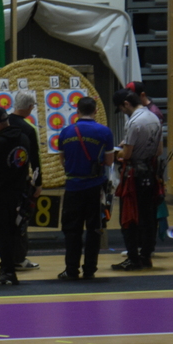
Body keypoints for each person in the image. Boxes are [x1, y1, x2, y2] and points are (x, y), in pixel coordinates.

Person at [55, 95, 116, 280]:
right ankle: (90, 270)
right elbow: (109, 161)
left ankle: (71, 270)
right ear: (96, 111)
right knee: (94, 229)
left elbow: (62, 160)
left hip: (73, 187)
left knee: (72, 231)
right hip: (95, 188)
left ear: (77, 111)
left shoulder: (65, 132)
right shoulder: (105, 132)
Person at [111, 89, 164, 271]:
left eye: (121, 108)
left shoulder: (134, 122)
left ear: (126, 104)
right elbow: (159, 151)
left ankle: (133, 258)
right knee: (148, 217)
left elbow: (126, 154)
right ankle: (146, 256)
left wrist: (117, 152)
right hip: (149, 173)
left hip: (133, 176)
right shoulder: (154, 118)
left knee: (129, 217)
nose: (123, 112)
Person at [0, 108, 32, 286]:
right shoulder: (24, 137)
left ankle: (8, 271)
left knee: (1, 233)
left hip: (0, 193)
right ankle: (11, 267)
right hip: (19, 192)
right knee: (14, 231)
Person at [7, 90, 44, 271]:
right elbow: (35, 159)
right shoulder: (28, 129)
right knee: (21, 220)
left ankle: (7, 258)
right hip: (20, 182)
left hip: (1, 181)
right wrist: (38, 183)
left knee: (5, 220)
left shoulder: (1, 122)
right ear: (30, 107)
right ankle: (19, 259)